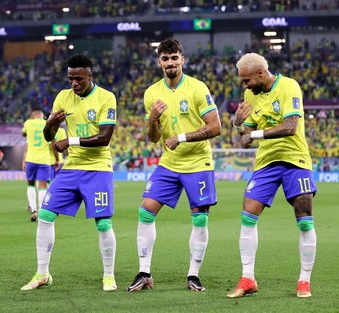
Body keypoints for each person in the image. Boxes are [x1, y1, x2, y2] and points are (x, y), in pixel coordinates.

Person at [126, 38, 221, 292]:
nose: (170, 62)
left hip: (198, 161)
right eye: (165, 58)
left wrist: (181, 137)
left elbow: (216, 127)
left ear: (182, 59)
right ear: (159, 62)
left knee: (199, 219)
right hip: (169, 163)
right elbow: (154, 137)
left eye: (174, 58)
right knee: (146, 210)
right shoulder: (151, 93)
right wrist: (153, 120)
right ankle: (144, 272)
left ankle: (193, 275)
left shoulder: (197, 88)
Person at [21, 54, 118, 292]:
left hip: (98, 167)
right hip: (72, 167)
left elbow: (105, 138)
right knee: (44, 215)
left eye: (79, 79)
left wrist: (71, 140)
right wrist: (50, 123)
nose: (74, 83)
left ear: (90, 75)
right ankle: (42, 274)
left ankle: (108, 276)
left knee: (103, 223)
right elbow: (48, 136)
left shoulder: (106, 97)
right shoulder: (62, 97)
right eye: (70, 78)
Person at [227, 53, 317, 299]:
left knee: (305, 219)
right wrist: (238, 124)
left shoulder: (289, 86)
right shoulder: (250, 95)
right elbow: (246, 137)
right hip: (266, 162)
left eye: (247, 81)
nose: (245, 86)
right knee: (247, 216)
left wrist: (253, 135)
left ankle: (304, 281)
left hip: (295, 159)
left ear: (260, 73)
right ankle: (248, 279)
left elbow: (290, 128)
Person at [22, 108, 52, 222]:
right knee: (43, 186)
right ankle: (41, 209)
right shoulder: (46, 123)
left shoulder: (28, 123)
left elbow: (23, 133)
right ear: (42, 115)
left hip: (31, 159)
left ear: (32, 116)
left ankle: (33, 209)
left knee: (30, 185)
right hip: (44, 159)